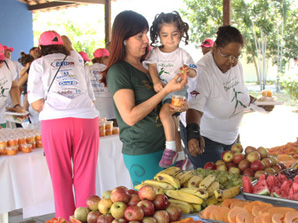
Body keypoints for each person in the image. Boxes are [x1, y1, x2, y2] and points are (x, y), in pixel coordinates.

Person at [101, 10, 188, 186]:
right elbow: (130, 117)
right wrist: (165, 92)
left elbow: (160, 105)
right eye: (139, 36)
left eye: (146, 35)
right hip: (143, 151)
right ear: (124, 39)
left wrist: (178, 105)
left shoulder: (147, 67)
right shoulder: (119, 71)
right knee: (151, 206)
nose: (146, 41)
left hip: (165, 148)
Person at [28, 30, 100, 220]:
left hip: (55, 123)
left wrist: (55, 108)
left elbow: (36, 104)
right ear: (62, 46)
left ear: (41, 48)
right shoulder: (78, 61)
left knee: (60, 177)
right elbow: (92, 100)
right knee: (86, 175)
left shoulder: (38, 64)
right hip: (86, 120)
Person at [180, 25, 273, 169]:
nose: (231, 61)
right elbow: (194, 108)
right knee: (215, 182)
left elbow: (241, 94)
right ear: (215, 47)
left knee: (233, 180)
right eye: (226, 55)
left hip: (231, 137)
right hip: (205, 138)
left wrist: (259, 104)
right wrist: (193, 134)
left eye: (236, 56)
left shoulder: (236, 65)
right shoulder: (203, 71)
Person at [145, 11, 197, 169]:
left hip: (177, 92)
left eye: (174, 34)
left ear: (181, 33)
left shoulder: (183, 54)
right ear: (158, 35)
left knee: (165, 113)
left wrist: (188, 70)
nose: (170, 39)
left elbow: (195, 72)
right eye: (165, 35)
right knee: (173, 122)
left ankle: (170, 149)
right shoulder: (154, 53)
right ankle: (182, 157)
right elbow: (152, 66)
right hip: (163, 92)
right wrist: (156, 81)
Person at [85, 48, 116, 123]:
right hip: (109, 107)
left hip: (93, 106)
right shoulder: (110, 69)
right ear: (104, 58)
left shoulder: (86, 69)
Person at [17, 52, 39, 123]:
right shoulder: (28, 69)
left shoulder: (35, 67)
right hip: (28, 87)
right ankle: (25, 112)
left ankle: (25, 112)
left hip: (33, 92)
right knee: (26, 97)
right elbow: (19, 83)